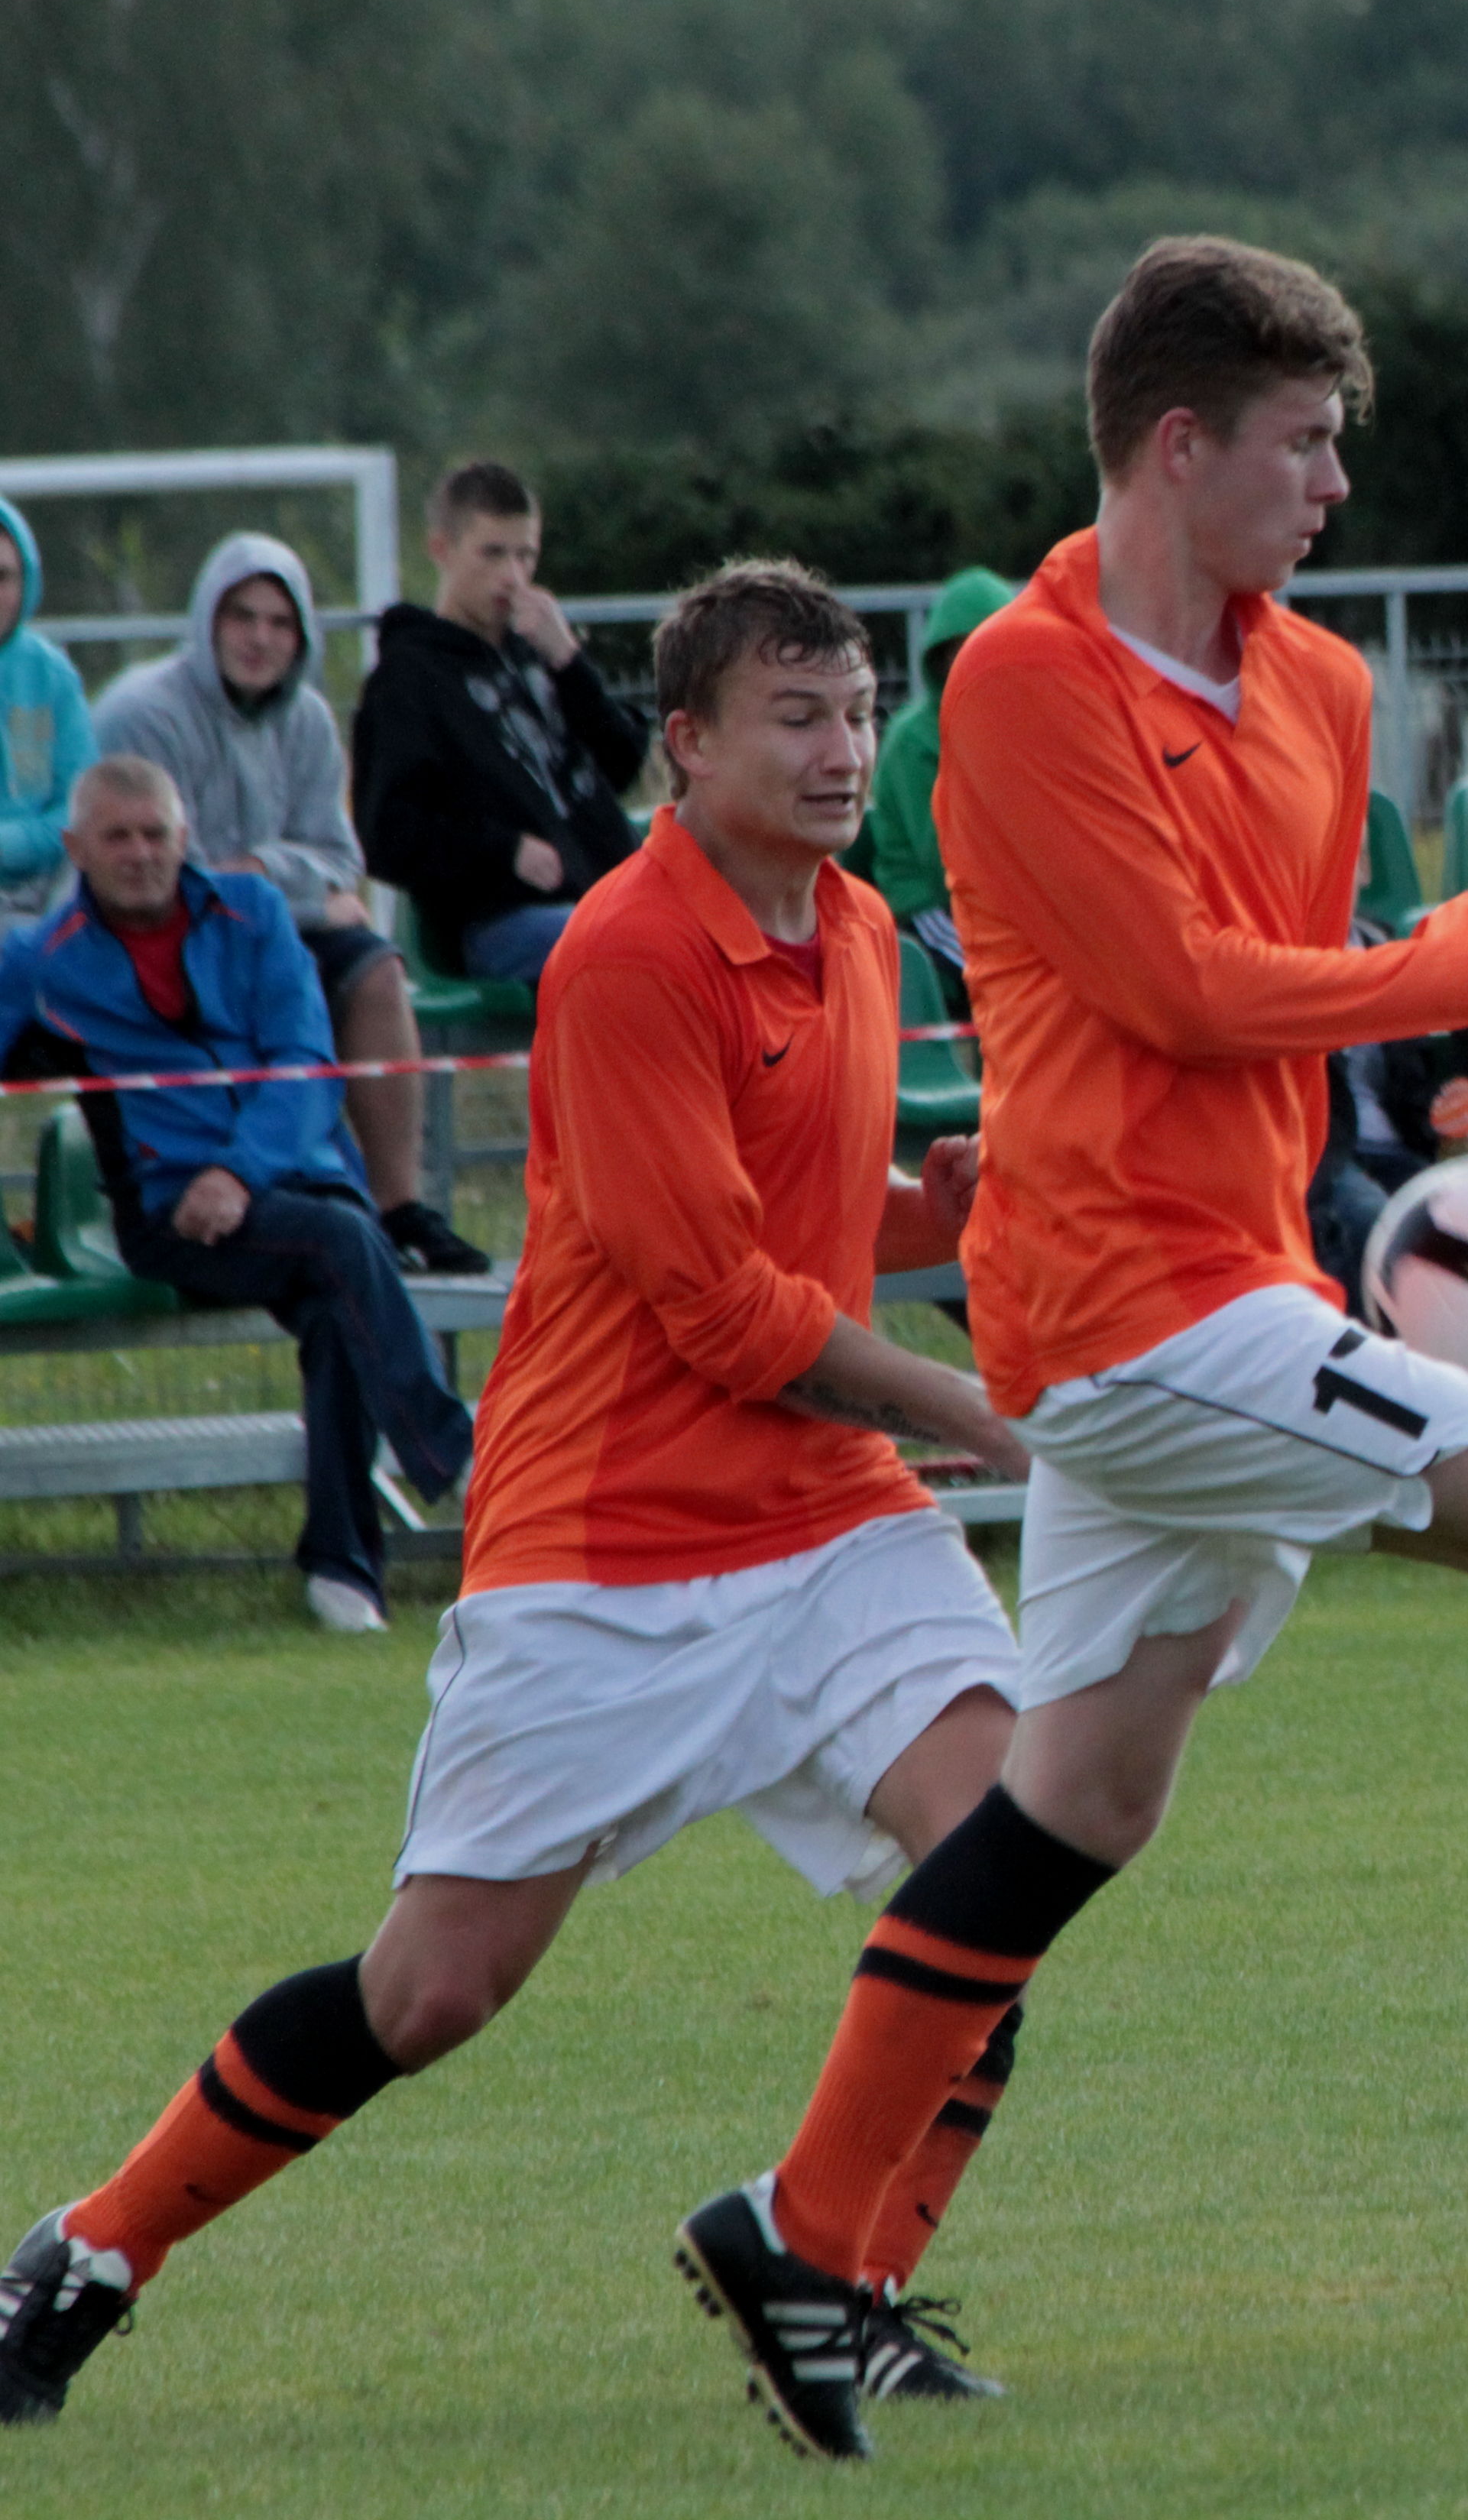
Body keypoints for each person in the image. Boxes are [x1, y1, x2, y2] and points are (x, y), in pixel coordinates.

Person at [683, 248, 1468, 2463]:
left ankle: (800, 2232)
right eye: (1305, 442)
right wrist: (1450, 964)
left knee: (1077, 1798)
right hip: (1129, 1299)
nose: (1338, 484)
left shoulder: (1325, 688)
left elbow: (1256, 984)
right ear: (1182, 444)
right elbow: (1186, 987)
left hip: (1241, 1271)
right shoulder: (1018, 677)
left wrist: (1386, 990)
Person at [0, 571, 1049, 2437]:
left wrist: (930, 1212)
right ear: (688, 744)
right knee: (431, 1990)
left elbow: (795, 1225)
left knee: (1006, 1859)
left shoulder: (871, 925)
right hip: (610, 1537)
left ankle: (840, 2279)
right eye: (792, 716)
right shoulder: (624, 950)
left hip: (827, 1512)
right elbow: (719, 1304)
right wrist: (983, 1414)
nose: (837, 749)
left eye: (856, 706)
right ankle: (84, 2253)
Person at [0, 759, 471, 1631]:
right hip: (170, 1215)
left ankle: (344, 1573)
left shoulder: (252, 915)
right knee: (340, 1244)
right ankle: (457, 1455)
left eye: (155, 834)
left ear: (186, 839)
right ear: (76, 849)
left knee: (339, 1298)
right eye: (118, 836)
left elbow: (304, 1059)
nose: (140, 853)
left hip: (293, 1186)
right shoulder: (35, 959)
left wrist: (239, 1172)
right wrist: (209, 1183)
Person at [92, 533, 491, 1271]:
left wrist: (257, 870)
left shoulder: (306, 719)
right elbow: (156, 878)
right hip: (171, 947)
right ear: (208, 619)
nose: (259, 638)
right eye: (242, 616)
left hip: (277, 933)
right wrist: (280, 886)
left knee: (373, 971)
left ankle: (400, 1208)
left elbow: (341, 861)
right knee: (292, 986)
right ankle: (295, 1201)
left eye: (280, 623)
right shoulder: (143, 715)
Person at [352, 460, 646, 986]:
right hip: (502, 921)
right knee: (633, 950)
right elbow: (386, 833)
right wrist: (503, 850)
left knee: (730, 933)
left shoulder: (541, 653)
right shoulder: (409, 678)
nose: (512, 576)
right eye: (492, 553)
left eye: (525, 554)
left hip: (608, 897)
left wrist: (570, 663)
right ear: (442, 548)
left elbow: (623, 765)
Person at [861, 565, 1018, 980]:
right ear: (941, 659)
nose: (978, 662)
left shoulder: (1026, 724)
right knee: (1009, 972)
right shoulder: (915, 740)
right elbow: (940, 860)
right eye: (961, 650)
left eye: (993, 644)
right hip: (927, 906)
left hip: (1004, 904)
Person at [0, 495, 98, 924]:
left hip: (51, 888)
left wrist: (10, 844)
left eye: (2, 577)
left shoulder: (51, 673)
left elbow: (82, 809)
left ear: (26, 583)